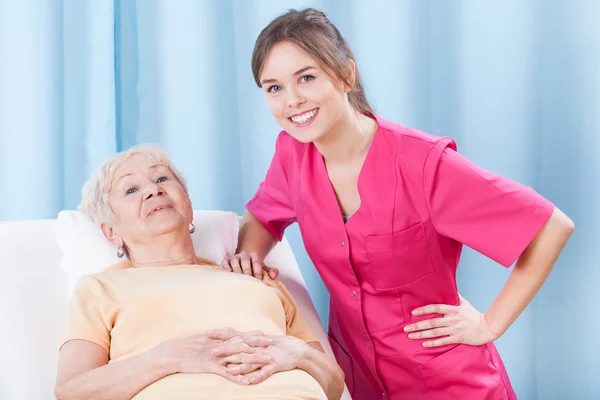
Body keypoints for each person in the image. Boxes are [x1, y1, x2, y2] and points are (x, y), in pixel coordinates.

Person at [221, 7, 575, 400]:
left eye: (306, 77)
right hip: (361, 380)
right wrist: (249, 257)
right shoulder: (292, 153)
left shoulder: (424, 164)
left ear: (345, 75)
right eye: (274, 88)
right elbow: (263, 214)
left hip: (450, 384)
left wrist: (490, 325)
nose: (292, 100)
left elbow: (551, 227)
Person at [54, 144, 344, 400]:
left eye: (161, 178)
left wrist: (300, 355)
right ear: (111, 232)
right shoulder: (101, 288)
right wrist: (167, 358)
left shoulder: (255, 278)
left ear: (189, 207)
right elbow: (72, 392)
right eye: (131, 190)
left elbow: (333, 385)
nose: (153, 190)